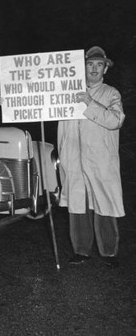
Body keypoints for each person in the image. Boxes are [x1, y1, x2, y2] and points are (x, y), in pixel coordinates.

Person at [57, 46, 125, 268]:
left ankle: (109, 252)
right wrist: (10, 103)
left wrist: (89, 102)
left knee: (104, 203)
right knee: (78, 203)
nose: (94, 69)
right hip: (73, 158)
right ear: (82, 67)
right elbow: (39, 106)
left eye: (99, 64)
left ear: (105, 68)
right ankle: (81, 251)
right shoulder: (66, 92)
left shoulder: (111, 93)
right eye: (90, 64)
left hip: (100, 160)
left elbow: (115, 121)